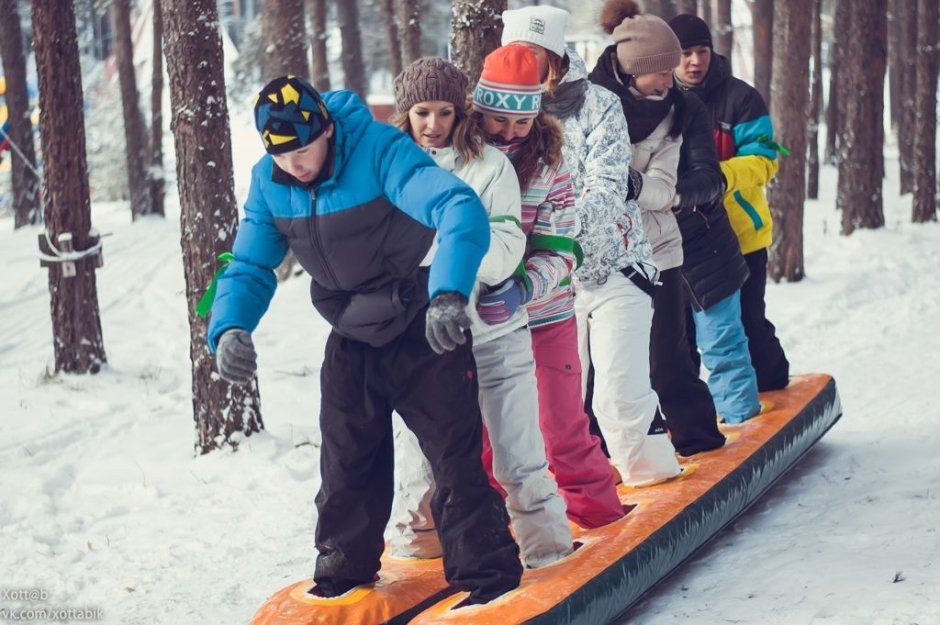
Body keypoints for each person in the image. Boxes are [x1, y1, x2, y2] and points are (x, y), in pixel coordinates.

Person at [206, 75, 522, 604]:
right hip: (351, 331)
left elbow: (458, 207)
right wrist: (229, 326)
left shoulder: (379, 149)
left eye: (305, 150)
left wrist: (448, 292)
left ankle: (488, 580)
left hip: (422, 321)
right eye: (283, 155)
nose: (296, 165)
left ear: (326, 130)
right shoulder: (270, 181)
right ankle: (343, 575)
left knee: (453, 458)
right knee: (346, 459)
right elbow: (250, 263)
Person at [388, 57, 573, 569]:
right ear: (406, 113)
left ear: (460, 112)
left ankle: (548, 548)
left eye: (444, 112)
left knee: (517, 449)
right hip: (420, 337)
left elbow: (509, 242)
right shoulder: (389, 167)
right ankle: (418, 542)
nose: (433, 124)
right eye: (421, 112)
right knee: (421, 453)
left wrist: (447, 254)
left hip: (493, 329)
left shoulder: (489, 166)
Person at [501, 6, 681, 487]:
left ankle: (652, 479)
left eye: (536, 53)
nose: (528, 62)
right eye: (517, 53)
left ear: (556, 53)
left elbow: (607, 185)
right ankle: (569, 495)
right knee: (556, 401)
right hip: (546, 281)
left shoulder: (600, 104)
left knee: (618, 393)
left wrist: (561, 237)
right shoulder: (502, 116)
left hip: (615, 266)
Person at [473, 44, 625, 528]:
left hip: (545, 314)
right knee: (486, 433)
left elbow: (564, 247)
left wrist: (524, 287)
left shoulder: (548, 162)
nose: (510, 133)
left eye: (522, 122)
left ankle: (597, 514)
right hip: (484, 325)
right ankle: (494, 527)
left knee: (560, 424)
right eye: (499, 120)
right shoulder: (464, 162)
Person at [587, 0, 725, 454]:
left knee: (669, 359)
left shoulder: (680, 110)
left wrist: (632, 185)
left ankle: (698, 442)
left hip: (660, 247)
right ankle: (601, 454)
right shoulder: (589, 108)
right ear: (631, 71)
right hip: (601, 255)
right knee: (601, 367)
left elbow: (676, 184)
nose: (672, 80)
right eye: (661, 72)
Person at [669, 13, 791, 393]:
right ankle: (696, 410)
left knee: (749, 322)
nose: (694, 61)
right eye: (685, 53)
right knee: (684, 332)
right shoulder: (661, 99)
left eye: (701, 51)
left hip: (742, 234)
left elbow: (765, 160)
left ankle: (773, 388)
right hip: (684, 239)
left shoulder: (742, 98)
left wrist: (717, 178)